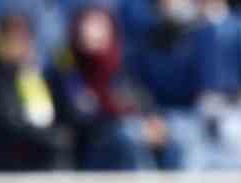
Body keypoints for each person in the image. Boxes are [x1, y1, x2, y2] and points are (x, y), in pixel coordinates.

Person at [50, 5, 180, 170]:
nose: (91, 32)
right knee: (127, 136)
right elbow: (83, 111)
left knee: (173, 134)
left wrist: (151, 122)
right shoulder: (67, 67)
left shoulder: (123, 64)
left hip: (132, 130)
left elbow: (139, 100)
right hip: (93, 141)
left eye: (98, 26)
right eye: (88, 26)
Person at [0, 10, 69, 172]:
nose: (16, 46)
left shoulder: (31, 74)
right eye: (10, 39)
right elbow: (4, 123)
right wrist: (47, 138)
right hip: (1, 160)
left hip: (32, 152)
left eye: (21, 40)